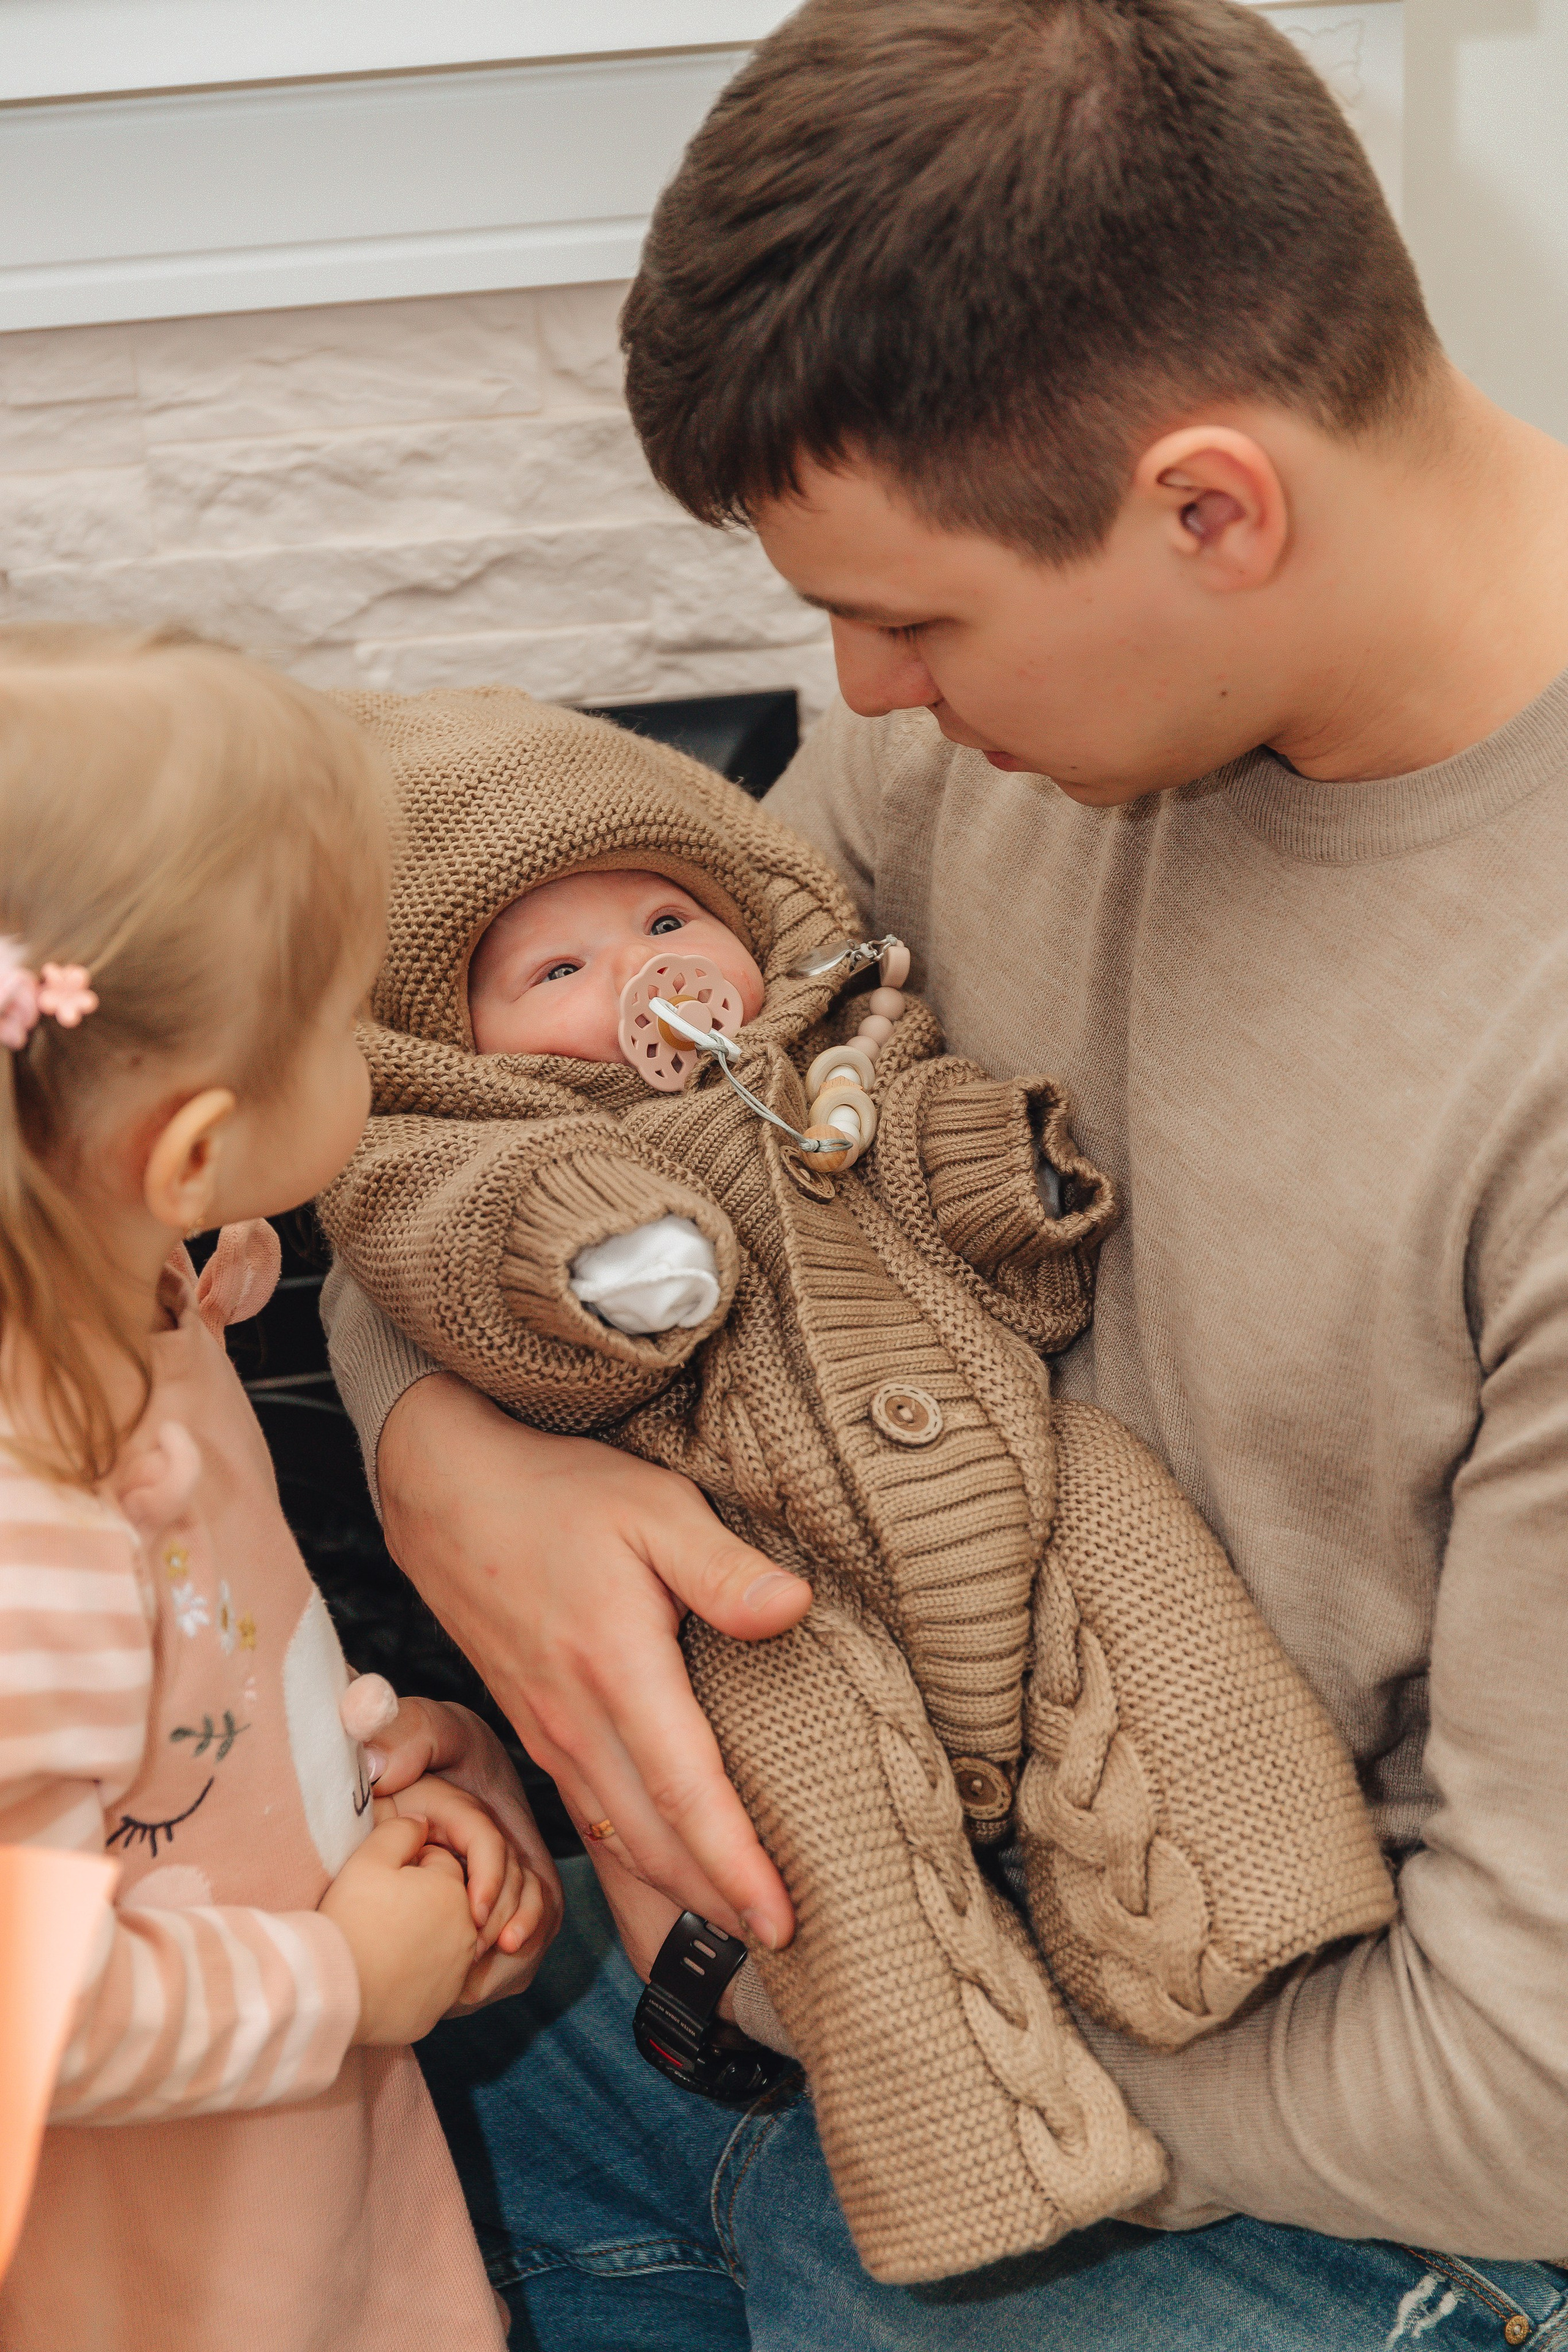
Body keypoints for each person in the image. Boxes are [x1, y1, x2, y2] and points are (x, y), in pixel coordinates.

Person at [325, 0, 1568, 2342]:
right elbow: (489, 1130)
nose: (858, 699)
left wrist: (905, 2038)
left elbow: (1530, 2081)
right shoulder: (983, 760)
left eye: (909, 616)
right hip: (743, 1966)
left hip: (1305, 2169)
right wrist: (443, 1454)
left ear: (1213, 506)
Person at [314, 682, 1389, 2282]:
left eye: (671, 915)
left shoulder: (835, 1056)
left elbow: (940, 1166)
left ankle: (1257, 1911)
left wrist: (1002, 1176)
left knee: (1141, 1591)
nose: (645, 976)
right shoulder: (488, 1153)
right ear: (443, 1044)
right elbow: (445, 1251)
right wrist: (598, 1271)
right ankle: (957, 2131)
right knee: (824, 1827)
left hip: (1013, 1471)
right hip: (757, 1569)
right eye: (556, 969)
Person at [0, 628, 560, 2352]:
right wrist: (343, 1982)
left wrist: (364, 1773)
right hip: (174, 2245)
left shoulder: (127, 1293)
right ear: (185, 1144)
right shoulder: (39, 1527)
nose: (372, 1051)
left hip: (291, 2110)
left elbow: (208, 1675)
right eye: (341, 1020)